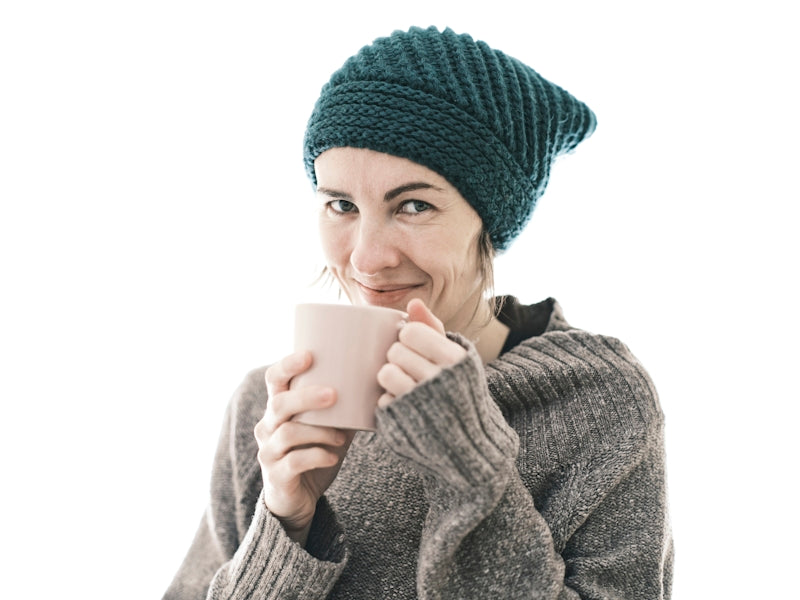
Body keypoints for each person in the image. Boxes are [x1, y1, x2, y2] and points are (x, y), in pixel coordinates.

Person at [164, 26, 673, 599]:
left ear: (489, 218)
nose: (365, 257)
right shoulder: (268, 408)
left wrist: (469, 467)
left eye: (413, 205)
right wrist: (284, 525)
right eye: (341, 204)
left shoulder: (597, 400)